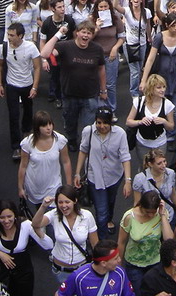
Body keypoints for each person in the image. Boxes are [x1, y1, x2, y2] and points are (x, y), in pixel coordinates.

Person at [40, 20, 108, 152]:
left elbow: (101, 69)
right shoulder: (65, 46)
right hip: (69, 94)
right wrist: (58, 34)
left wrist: (103, 89)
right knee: (70, 122)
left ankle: (85, 145)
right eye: (83, 32)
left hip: (90, 95)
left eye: (89, 33)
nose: (86, 35)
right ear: (77, 33)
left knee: (88, 126)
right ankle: (71, 140)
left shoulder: (97, 49)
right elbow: (44, 53)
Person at [75, 107, 132, 240]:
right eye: (99, 122)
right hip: (95, 177)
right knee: (101, 212)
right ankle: (102, 241)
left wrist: (127, 181)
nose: (102, 126)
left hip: (114, 176)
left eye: (105, 123)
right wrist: (77, 173)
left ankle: (109, 219)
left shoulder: (120, 134)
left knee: (110, 202)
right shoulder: (88, 131)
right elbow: (83, 151)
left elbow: (125, 157)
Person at [31, 185, 98, 283]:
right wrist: (43, 206)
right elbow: (35, 224)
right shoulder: (54, 214)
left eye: (67, 202)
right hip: (61, 270)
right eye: (60, 202)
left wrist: (98, 264)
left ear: (75, 201)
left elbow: (95, 243)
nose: (63, 206)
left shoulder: (87, 216)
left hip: (82, 269)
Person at [0, 200, 54, 296]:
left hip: (24, 271)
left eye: (9, 216)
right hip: (3, 271)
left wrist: (37, 229)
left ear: (15, 215)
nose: (6, 221)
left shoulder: (25, 225)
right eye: (2, 217)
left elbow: (49, 245)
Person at [0, 23, 41, 160]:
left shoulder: (30, 47)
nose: (9, 38)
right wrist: (0, 84)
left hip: (27, 84)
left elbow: (37, 67)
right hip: (11, 85)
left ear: (20, 36)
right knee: (13, 115)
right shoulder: (3, 47)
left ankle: (27, 133)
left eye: (12, 35)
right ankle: (16, 146)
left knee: (28, 111)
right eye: (8, 35)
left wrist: (34, 87)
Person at [118, 191, 174, 295]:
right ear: (141, 206)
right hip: (134, 263)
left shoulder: (161, 213)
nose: (151, 215)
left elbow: (169, 240)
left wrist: (162, 215)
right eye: (148, 211)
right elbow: (121, 242)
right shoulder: (129, 217)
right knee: (139, 292)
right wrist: (119, 266)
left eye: (153, 211)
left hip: (155, 262)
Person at [18, 110, 72, 208]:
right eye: (44, 126)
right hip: (34, 186)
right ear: (37, 128)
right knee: (39, 216)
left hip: (53, 185)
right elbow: (23, 166)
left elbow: (66, 162)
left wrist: (68, 186)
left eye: (50, 124)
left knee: (53, 216)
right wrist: (20, 187)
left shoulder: (60, 140)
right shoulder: (27, 143)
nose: (49, 128)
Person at [56, 239, 135, 296]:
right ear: (103, 263)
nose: (120, 260)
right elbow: (60, 294)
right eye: (116, 258)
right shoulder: (79, 276)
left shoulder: (120, 273)